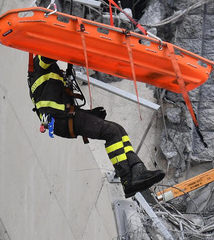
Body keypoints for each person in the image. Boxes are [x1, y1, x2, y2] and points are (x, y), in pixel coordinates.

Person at [27, 54, 165, 198]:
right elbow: (50, 52)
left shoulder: (42, 74)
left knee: (118, 129)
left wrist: (89, 114)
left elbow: (58, 103)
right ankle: (127, 180)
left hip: (62, 118)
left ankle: (137, 170)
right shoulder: (39, 63)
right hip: (60, 118)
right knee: (111, 132)